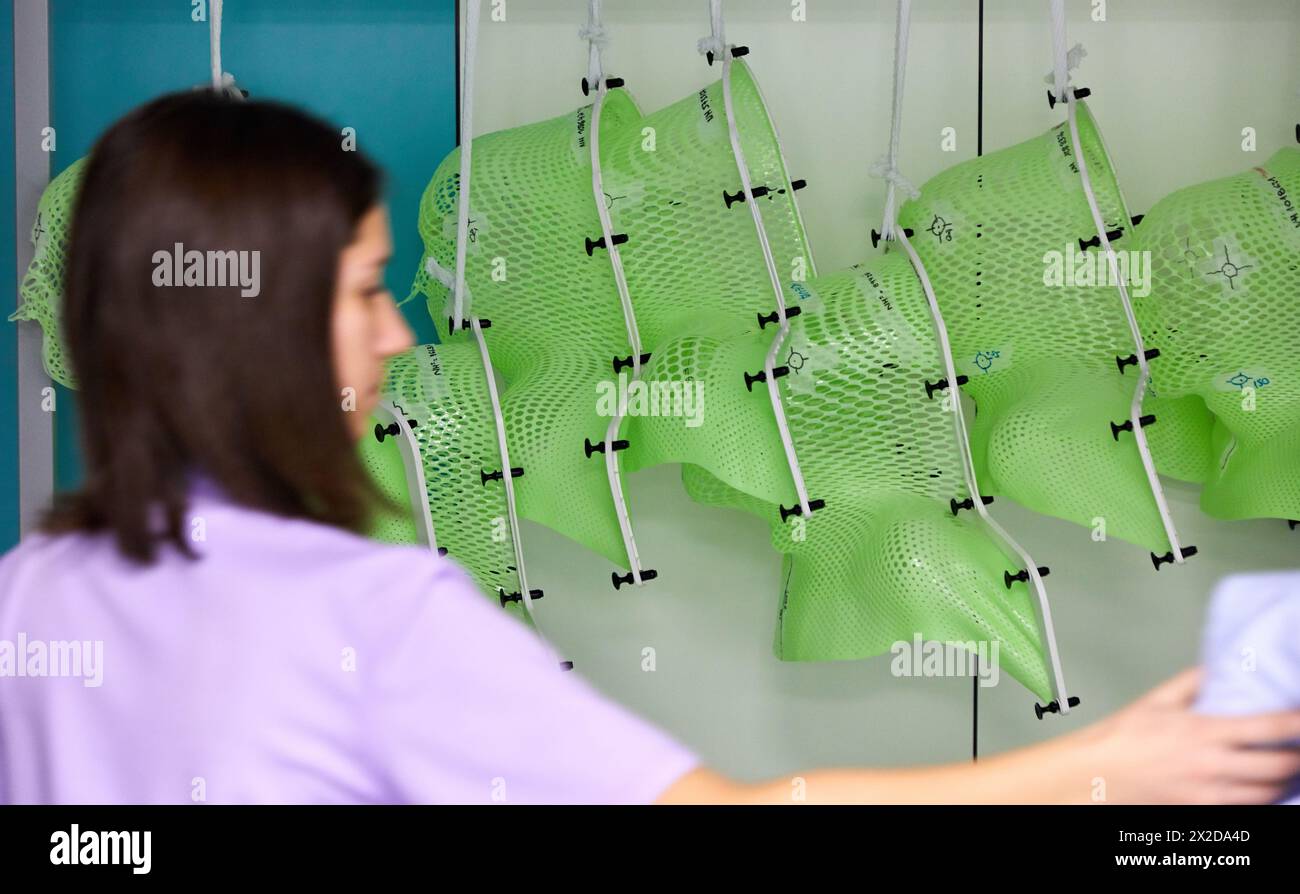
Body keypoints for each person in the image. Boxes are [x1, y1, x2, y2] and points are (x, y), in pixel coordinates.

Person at [1, 90, 1297, 805]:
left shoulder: (31, 596)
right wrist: (1098, 769)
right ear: (253, 320)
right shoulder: (375, 613)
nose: (398, 334)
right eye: (358, 292)